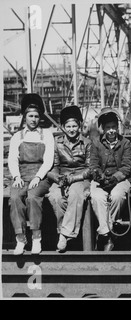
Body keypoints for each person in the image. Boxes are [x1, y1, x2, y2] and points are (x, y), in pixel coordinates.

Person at [8, 93, 55, 255]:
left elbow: (48, 160)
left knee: (32, 197)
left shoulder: (47, 134)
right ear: (25, 117)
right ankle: (20, 239)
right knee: (14, 198)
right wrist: (16, 177)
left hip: (40, 175)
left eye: (36, 116)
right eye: (30, 116)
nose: (34, 119)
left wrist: (38, 177)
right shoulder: (17, 137)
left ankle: (36, 237)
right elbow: (12, 159)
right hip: (22, 175)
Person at [47, 105, 92, 253]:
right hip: (62, 177)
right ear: (63, 127)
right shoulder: (57, 142)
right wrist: (58, 178)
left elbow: (90, 168)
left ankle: (64, 234)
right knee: (55, 197)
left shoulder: (87, 143)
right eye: (68, 126)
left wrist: (73, 179)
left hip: (80, 177)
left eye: (74, 126)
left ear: (79, 126)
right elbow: (53, 165)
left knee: (75, 194)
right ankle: (65, 233)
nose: (72, 129)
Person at [89, 108, 131, 251]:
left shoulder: (125, 143)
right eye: (108, 128)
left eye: (114, 127)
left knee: (117, 196)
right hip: (101, 180)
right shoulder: (96, 143)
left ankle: (105, 233)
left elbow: (127, 166)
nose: (111, 131)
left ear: (117, 127)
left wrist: (115, 178)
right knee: (97, 197)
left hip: (119, 179)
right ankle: (107, 235)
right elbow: (93, 165)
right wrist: (99, 176)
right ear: (103, 129)